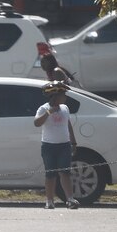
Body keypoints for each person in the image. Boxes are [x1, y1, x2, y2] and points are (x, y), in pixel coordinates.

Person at [34, 81, 79, 209]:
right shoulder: (43, 108)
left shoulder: (65, 108)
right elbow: (37, 123)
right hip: (49, 146)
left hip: (64, 145)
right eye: (63, 94)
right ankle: (49, 201)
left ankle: (70, 199)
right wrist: (49, 112)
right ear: (54, 96)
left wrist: (73, 142)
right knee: (50, 174)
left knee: (65, 173)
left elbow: (68, 125)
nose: (65, 97)